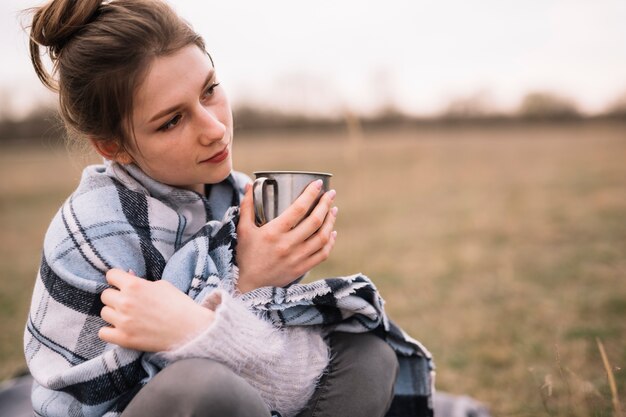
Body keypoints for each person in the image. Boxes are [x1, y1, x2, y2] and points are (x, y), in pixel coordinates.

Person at [24, 1, 434, 416]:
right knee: (202, 388)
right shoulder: (93, 232)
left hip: (248, 390)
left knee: (368, 355)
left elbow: (268, 348)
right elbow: (100, 403)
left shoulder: (237, 196)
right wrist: (247, 281)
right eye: (172, 121)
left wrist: (218, 312)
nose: (215, 128)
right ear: (113, 146)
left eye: (209, 91)